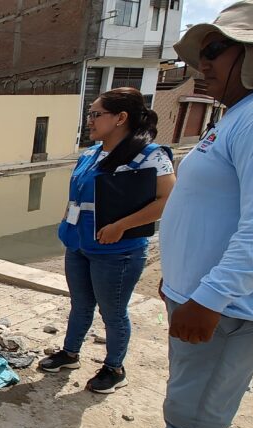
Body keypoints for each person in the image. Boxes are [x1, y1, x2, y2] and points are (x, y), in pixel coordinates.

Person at [95, 2, 253, 428]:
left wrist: (209, 296)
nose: (204, 62)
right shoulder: (242, 114)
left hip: (232, 307)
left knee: (195, 412)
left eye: (216, 49)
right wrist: (180, 282)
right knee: (198, 405)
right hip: (206, 298)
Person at [39, 87, 176, 394]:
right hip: (79, 245)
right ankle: (70, 353)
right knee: (80, 304)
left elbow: (167, 199)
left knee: (112, 311)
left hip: (118, 251)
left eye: (95, 114)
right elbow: (76, 197)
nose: (89, 121)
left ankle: (114, 368)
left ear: (120, 118)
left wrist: (121, 226)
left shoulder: (150, 155)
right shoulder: (90, 154)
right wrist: (66, 222)